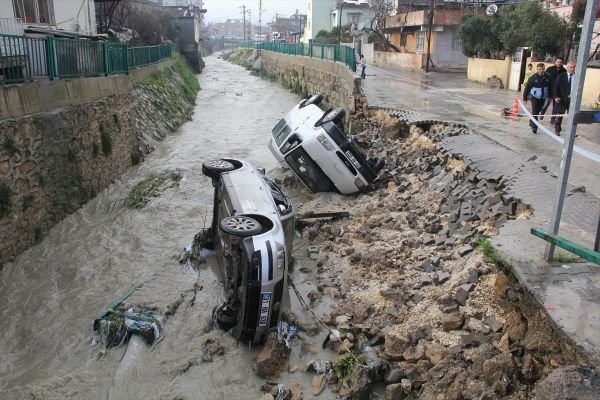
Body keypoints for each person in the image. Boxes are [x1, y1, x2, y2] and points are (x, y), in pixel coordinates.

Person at [523, 63, 552, 134]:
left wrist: (550, 96)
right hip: (535, 97)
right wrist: (525, 98)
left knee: (538, 111)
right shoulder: (533, 78)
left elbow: (551, 88)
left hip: (543, 97)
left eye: (543, 69)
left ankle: (531, 121)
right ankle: (534, 126)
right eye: (540, 69)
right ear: (537, 69)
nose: (541, 70)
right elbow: (527, 88)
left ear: (544, 69)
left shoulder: (548, 77)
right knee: (535, 111)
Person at [553, 61, 575, 136]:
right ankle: (557, 130)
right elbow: (556, 87)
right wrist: (556, 96)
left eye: (573, 67)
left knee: (572, 117)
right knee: (559, 116)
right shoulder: (561, 76)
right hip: (561, 99)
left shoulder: (576, 77)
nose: (572, 69)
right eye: (571, 67)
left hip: (572, 100)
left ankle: (571, 132)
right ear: (567, 68)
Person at [543, 57, 566, 122]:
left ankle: (553, 119)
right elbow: (545, 78)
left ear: (562, 63)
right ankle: (542, 113)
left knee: (555, 106)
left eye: (560, 62)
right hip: (550, 90)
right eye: (558, 62)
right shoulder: (550, 69)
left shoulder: (564, 71)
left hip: (558, 91)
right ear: (555, 62)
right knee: (546, 104)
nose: (559, 63)